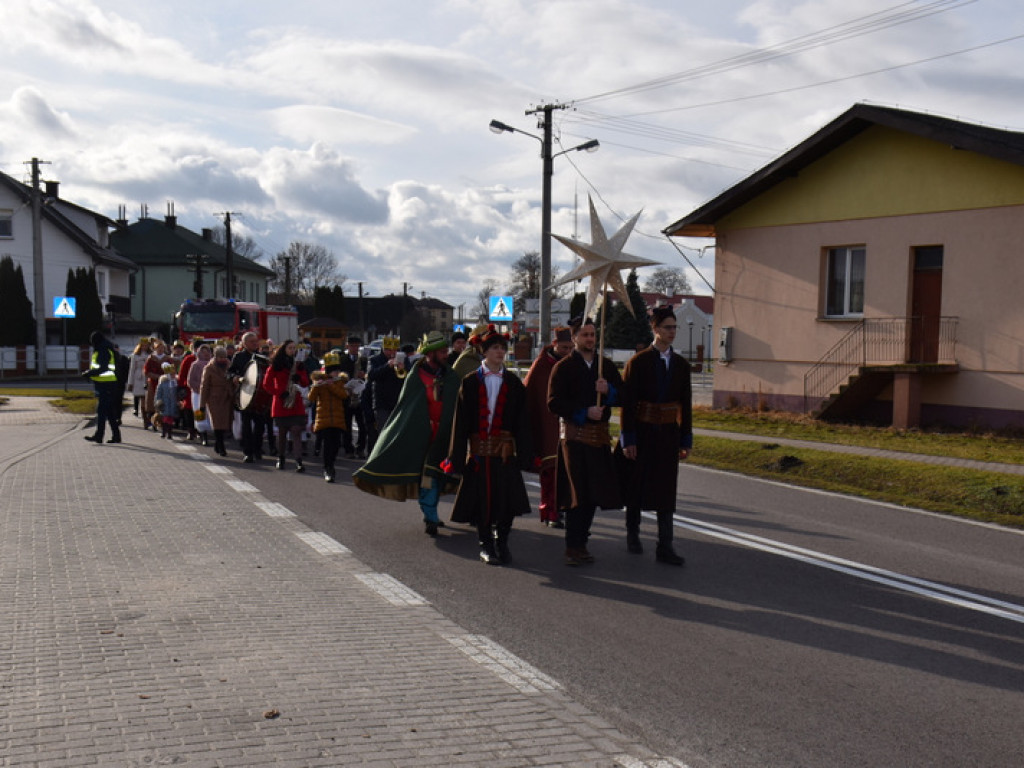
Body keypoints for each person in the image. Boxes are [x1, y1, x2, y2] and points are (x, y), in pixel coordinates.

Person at [353, 331, 460, 537]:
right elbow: (408, 405)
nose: (446, 354)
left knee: (438, 475)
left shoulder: (451, 376)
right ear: (430, 353)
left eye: (446, 350)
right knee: (428, 475)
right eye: (442, 351)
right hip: (421, 432)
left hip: (444, 432)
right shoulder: (416, 375)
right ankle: (430, 515)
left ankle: (432, 512)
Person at [444, 328, 533, 565]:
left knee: (508, 501)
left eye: (503, 348)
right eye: (495, 348)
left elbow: (522, 422)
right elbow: (460, 422)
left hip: (504, 453)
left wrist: (526, 454)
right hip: (480, 452)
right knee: (483, 501)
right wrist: (456, 456)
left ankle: (502, 541)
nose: (500, 352)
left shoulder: (513, 383)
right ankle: (485, 544)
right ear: (484, 351)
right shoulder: (471, 381)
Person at [617, 306, 693, 566]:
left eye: (674, 327)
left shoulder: (681, 365)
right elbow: (628, 405)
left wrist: (685, 439)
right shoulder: (638, 363)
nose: (672, 332)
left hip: (668, 435)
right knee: (636, 485)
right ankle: (633, 534)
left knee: (666, 489)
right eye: (667, 327)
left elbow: (686, 405)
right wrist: (628, 439)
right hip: (643, 431)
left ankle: (665, 545)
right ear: (655, 329)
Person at [547, 317, 624, 566]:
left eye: (593, 334)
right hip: (574, 438)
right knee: (576, 494)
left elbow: (624, 395)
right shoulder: (564, 368)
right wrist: (583, 411)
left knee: (593, 494)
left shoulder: (606, 367)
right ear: (575, 337)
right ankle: (573, 545)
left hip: (598, 438)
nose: (590, 339)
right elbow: (553, 402)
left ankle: (582, 542)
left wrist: (608, 392)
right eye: (585, 335)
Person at [523, 326, 573, 527]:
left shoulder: (572, 364)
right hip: (548, 425)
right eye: (563, 347)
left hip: (569, 424)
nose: (567, 351)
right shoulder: (541, 366)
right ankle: (549, 511)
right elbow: (529, 395)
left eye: (570, 347)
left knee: (569, 472)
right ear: (554, 344)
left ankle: (564, 508)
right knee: (550, 472)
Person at [263, 339, 310, 472]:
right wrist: (279, 392)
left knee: (296, 431)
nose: (292, 350)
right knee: (282, 433)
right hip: (281, 402)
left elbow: (306, 382)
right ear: (284, 349)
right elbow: (267, 384)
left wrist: (299, 378)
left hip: (296, 402)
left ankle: (298, 461)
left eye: (294, 348)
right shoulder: (275, 365)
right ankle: (281, 458)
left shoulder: (298, 365)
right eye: (290, 348)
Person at [307, 351, 349, 483]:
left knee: (336, 445)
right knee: (327, 445)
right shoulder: (320, 381)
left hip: (337, 419)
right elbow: (311, 398)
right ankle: (328, 468)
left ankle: (331, 463)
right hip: (323, 419)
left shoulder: (339, 382)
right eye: (334, 371)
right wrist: (316, 386)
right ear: (328, 371)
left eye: (337, 371)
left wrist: (331, 385)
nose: (336, 373)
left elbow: (343, 395)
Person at [229, 331, 271, 463]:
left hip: (260, 396)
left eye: (256, 341)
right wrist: (235, 377)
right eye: (252, 341)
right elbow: (229, 372)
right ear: (245, 343)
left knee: (260, 426)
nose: (255, 343)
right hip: (245, 394)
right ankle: (248, 452)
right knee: (246, 426)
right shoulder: (239, 356)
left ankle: (258, 449)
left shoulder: (263, 356)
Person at [82, 330, 122, 444]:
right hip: (107, 385)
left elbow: (103, 368)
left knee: (101, 412)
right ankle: (116, 436)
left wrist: (89, 373)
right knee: (109, 412)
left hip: (106, 385)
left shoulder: (103, 350)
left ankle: (99, 435)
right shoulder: (105, 348)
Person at [199, 346, 236, 457]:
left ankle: (217, 443)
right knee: (217, 423)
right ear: (215, 357)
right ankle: (221, 446)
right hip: (214, 398)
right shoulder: (209, 368)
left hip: (227, 397)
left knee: (226, 424)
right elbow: (204, 386)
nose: (223, 359)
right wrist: (202, 404)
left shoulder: (229, 366)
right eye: (220, 357)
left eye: (224, 357)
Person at [338, 336, 368, 458]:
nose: (355, 348)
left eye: (357, 346)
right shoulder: (342, 359)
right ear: (347, 346)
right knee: (347, 425)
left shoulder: (363, 359)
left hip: (359, 395)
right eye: (353, 346)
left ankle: (360, 448)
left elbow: (366, 376)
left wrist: (363, 375)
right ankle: (348, 449)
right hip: (347, 395)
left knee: (362, 425)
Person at [188, 344, 213, 446]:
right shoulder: (195, 365)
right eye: (203, 351)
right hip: (198, 394)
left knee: (210, 413)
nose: (206, 353)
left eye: (207, 351)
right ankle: (203, 435)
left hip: (211, 393)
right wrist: (198, 389)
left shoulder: (212, 365)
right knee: (200, 413)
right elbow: (190, 380)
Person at [143, 339, 169, 430]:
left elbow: (171, 371)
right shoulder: (151, 358)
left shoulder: (167, 358)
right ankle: (151, 421)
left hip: (165, 383)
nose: (160, 349)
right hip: (153, 383)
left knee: (163, 403)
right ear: (155, 348)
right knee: (151, 403)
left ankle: (162, 422)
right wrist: (156, 376)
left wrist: (164, 377)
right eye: (158, 347)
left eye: (162, 347)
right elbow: (146, 371)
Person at [126, 337, 152, 419]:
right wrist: (130, 383)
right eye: (143, 345)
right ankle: (138, 410)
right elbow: (132, 369)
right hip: (138, 377)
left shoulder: (151, 355)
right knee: (139, 395)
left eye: (146, 345)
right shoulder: (135, 356)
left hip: (147, 377)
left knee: (146, 397)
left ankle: (146, 415)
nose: (144, 347)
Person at [154, 361, 180, 440]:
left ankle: (170, 433)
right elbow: (158, 393)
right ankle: (164, 432)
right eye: (171, 374)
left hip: (173, 403)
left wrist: (179, 401)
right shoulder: (163, 383)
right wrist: (158, 402)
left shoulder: (176, 383)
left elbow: (178, 393)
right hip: (165, 404)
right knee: (165, 418)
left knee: (171, 419)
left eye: (173, 373)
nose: (173, 375)